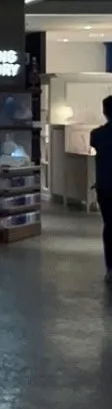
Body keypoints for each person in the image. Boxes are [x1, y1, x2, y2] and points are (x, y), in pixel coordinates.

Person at [90, 95, 112, 275]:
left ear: (104, 112)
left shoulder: (96, 134)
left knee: (109, 225)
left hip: (105, 186)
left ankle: (110, 267)